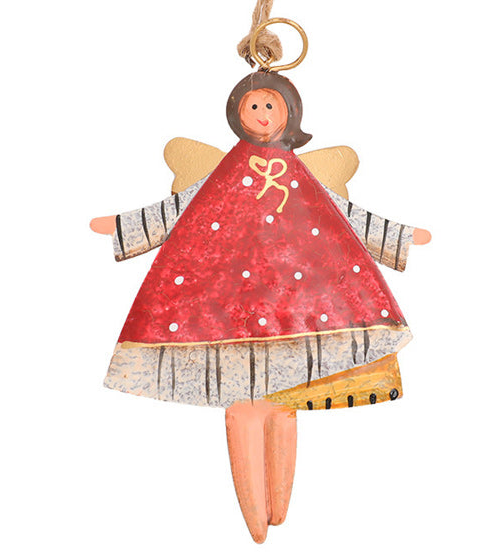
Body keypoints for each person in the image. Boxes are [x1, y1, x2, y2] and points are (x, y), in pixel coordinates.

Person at [91, 71, 430, 542]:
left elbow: (345, 213)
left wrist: (397, 236)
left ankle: (276, 509)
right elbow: (179, 207)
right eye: (254, 106)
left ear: (290, 113)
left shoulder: (297, 172)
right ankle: (257, 515)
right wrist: (123, 226)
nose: (262, 115)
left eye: (270, 106)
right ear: (237, 113)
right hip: (221, 307)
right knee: (244, 410)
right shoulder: (225, 171)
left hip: (297, 306)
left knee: (282, 406)